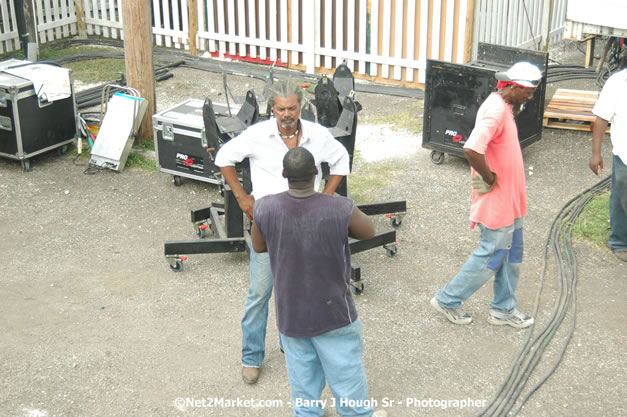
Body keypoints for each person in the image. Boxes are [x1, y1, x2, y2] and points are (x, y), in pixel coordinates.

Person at [214, 80, 350, 384]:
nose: (287, 114)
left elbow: (342, 160)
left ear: (300, 106)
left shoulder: (316, 134)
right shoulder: (257, 135)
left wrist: (325, 199)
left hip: (307, 228)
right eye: (280, 109)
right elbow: (224, 157)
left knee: (301, 289)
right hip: (269, 227)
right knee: (260, 293)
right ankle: (251, 356)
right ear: (271, 109)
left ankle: (294, 344)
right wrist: (241, 197)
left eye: (292, 108)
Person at [251, 147, 385, 417]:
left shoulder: (265, 207)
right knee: (348, 384)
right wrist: (336, 199)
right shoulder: (340, 207)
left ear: (284, 174)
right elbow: (369, 231)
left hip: (292, 316)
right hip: (335, 313)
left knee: (304, 389)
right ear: (315, 172)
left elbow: (258, 245)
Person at [430, 62, 542, 329]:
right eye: (527, 92)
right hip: (496, 198)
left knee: (512, 253)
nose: (530, 97)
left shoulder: (503, 105)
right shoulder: (495, 110)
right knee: (491, 254)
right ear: (513, 86)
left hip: (510, 200)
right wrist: (489, 177)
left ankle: (503, 309)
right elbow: (471, 149)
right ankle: (448, 299)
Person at [589, 49, 627, 262]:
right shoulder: (617, 83)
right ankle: (620, 241)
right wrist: (596, 153)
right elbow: (602, 117)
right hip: (625, 153)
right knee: (622, 198)